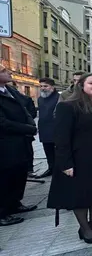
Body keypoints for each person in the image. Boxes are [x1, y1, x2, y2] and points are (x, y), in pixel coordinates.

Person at [47, 73, 92, 243]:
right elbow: (61, 138)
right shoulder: (68, 106)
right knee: (81, 196)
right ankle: (84, 228)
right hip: (79, 160)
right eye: (91, 83)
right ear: (81, 85)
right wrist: (65, 163)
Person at [0, 64, 38, 226]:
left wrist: (30, 124)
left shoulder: (11, 90)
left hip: (21, 141)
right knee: (5, 178)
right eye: (3, 71)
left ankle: (15, 203)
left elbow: (26, 109)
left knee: (19, 173)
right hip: (5, 143)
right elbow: (2, 123)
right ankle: (2, 212)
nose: (8, 72)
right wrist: (28, 128)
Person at [9, 81, 37, 177]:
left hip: (25, 130)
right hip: (13, 131)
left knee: (28, 150)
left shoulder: (25, 99)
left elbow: (32, 113)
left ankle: (29, 169)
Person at [36, 78, 60, 178]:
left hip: (56, 129)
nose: (43, 88)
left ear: (52, 87)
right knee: (48, 151)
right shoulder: (40, 99)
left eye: (45, 86)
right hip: (44, 129)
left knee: (58, 152)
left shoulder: (59, 98)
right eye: (41, 86)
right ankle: (51, 168)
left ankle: (59, 171)